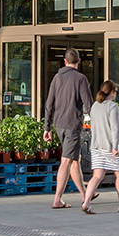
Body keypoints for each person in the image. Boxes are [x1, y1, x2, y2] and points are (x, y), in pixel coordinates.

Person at [43, 48, 93, 209]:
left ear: (65, 61)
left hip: (59, 125)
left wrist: (47, 127)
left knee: (74, 160)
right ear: (79, 62)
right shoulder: (81, 79)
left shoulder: (57, 78)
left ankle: (85, 195)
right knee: (66, 161)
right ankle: (57, 199)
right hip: (72, 125)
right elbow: (89, 104)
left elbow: (49, 104)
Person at [81, 80, 119, 213]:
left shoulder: (95, 106)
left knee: (96, 176)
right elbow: (114, 127)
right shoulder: (113, 107)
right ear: (112, 92)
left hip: (97, 146)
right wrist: (115, 146)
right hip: (111, 146)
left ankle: (86, 202)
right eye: (115, 91)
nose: (116, 94)